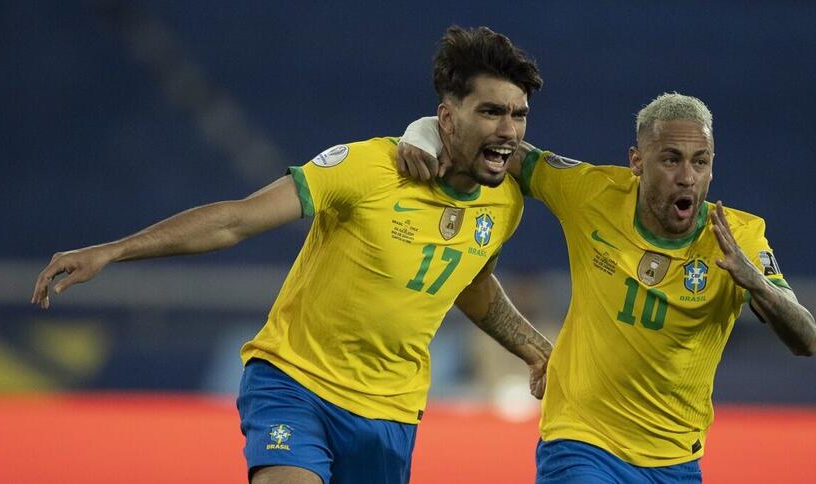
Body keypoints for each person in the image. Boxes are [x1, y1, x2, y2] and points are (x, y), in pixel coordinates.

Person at [31, 26, 553, 484]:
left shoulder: (504, 202)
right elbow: (237, 219)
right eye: (491, 111)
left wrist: (535, 348)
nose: (509, 129)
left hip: (389, 410)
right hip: (294, 381)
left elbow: (472, 282)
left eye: (518, 115)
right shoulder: (365, 167)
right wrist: (115, 250)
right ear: (447, 115)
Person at [398, 92, 816, 483]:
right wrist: (425, 130)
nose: (687, 177)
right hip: (582, 441)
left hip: (674, 458)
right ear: (637, 161)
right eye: (671, 160)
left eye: (700, 161)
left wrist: (758, 285)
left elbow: (806, 339)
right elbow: (505, 152)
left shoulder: (739, 238)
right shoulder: (592, 192)